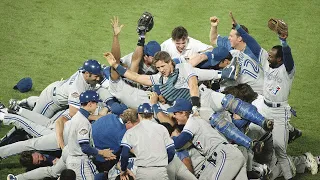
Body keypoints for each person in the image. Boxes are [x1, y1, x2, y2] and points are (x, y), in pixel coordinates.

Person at [229, 12, 297, 179]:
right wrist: (238, 28)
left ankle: (289, 175)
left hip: (280, 112)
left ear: (279, 60)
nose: (268, 56)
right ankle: (251, 166)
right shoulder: (267, 61)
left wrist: (284, 41)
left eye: (272, 56)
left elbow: (288, 57)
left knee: (280, 149)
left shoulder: (287, 70)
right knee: (248, 131)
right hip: (263, 106)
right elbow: (253, 44)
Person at [169, 98, 247, 179]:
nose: (174, 116)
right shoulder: (196, 120)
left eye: (175, 113)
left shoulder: (192, 122)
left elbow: (177, 143)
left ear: (184, 113)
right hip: (230, 153)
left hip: (225, 154)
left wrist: (171, 137)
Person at [64, 90, 116, 179]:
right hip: (79, 162)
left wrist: (100, 153)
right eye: (96, 103)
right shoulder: (82, 121)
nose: (97, 106)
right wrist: (102, 153)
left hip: (77, 159)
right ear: (90, 103)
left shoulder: (78, 117)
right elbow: (85, 147)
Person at [119, 103, 175, 180]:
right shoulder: (162, 129)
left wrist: (123, 169)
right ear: (152, 115)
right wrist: (162, 162)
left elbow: (124, 154)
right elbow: (171, 151)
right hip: (160, 171)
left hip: (143, 172)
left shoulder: (131, 131)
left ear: (139, 115)